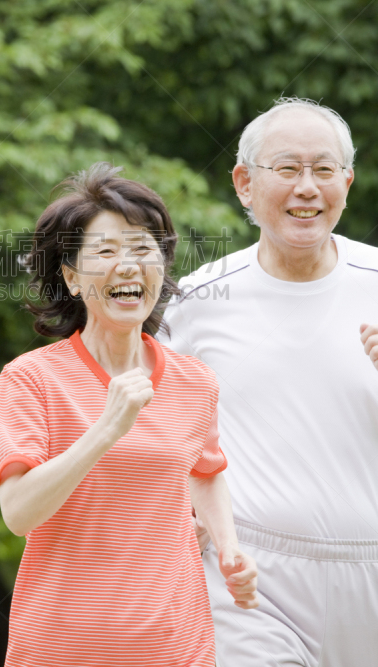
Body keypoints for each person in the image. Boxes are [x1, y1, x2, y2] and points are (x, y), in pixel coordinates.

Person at [0, 163, 258, 667]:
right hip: (60, 647)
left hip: (176, 647)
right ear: (71, 277)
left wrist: (228, 546)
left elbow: (205, 471)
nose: (129, 265)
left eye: (142, 249)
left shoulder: (195, 381)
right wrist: (107, 429)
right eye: (106, 252)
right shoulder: (30, 379)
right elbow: (19, 512)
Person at [160, 97, 378, 667]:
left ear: (347, 183)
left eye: (324, 170)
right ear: (244, 183)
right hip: (253, 577)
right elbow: (149, 424)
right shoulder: (197, 300)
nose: (307, 187)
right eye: (287, 168)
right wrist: (176, 502)